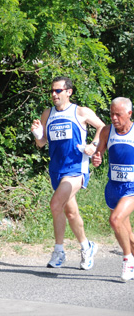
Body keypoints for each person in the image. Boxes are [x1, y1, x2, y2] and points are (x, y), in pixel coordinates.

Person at [31, 76, 105, 270]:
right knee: (71, 213)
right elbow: (42, 143)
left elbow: (102, 127)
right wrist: (37, 133)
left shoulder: (80, 112)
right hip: (56, 169)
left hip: (76, 168)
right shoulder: (48, 113)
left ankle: (59, 251)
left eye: (58, 91)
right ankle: (86, 247)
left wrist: (94, 145)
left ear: (68, 92)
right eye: (52, 91)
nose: (54, 94)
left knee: (55, 204)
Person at [92, 97, 134, 281]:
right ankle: (131, 254)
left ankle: (127, 260)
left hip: (131, 187)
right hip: (113, 187)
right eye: (111, 114)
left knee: (115, 220)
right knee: (126, 232)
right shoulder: (107, 131)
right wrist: (96, 158)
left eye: (118, 114)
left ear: (129, 114)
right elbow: (99, 153)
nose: (114, 118)